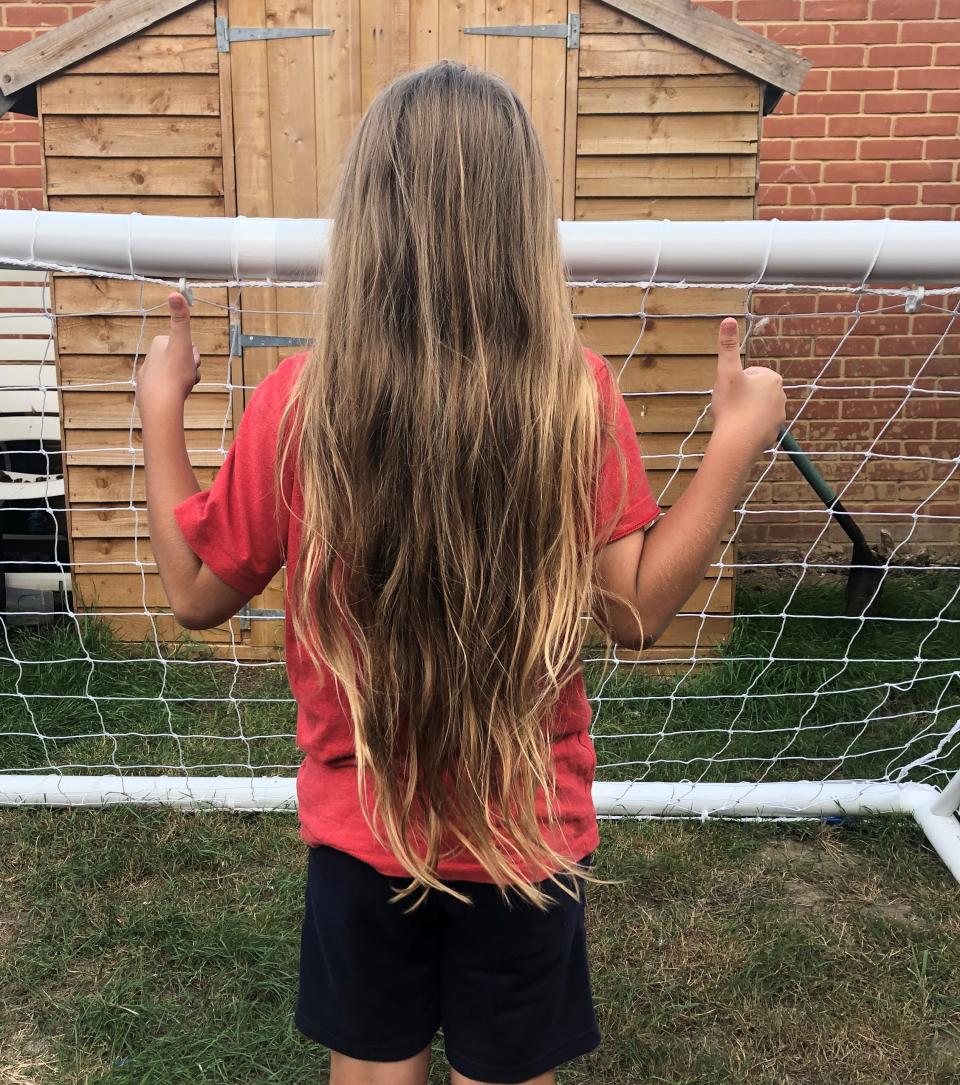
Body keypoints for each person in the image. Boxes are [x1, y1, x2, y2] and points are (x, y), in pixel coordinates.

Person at [136, 60, 785, 1085]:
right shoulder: (572, 395)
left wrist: (157, 409)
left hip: (364, 846)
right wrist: (737, 437)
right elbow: (635, 607)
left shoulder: (300, 403)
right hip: (525, 841)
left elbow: (194, 591)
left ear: (368, 215)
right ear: (524, 218)